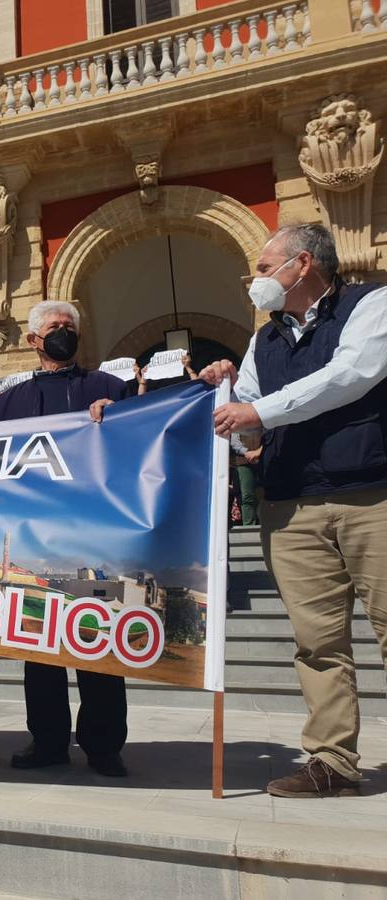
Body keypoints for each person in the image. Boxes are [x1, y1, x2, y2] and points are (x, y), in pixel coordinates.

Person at [199, 223, 387, 798]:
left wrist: (258, 414)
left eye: (262, 268)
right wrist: (223, 394)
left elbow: (350, 377)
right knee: (317, 643)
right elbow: (245, 423)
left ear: (301, 264)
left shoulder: (370, 304)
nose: (256, 281)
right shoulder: (265, 339)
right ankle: (332, 760)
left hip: (370, 495)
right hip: (291, 507)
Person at [0, 301, 130, 777]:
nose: (64, 333)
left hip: (95, 538)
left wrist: (123, 415)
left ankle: (104, 746)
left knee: (96, 642)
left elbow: (144, 440)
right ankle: (47, 740)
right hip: (32, 541)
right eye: (54, 328)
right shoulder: (6, 404)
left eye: (70, 327)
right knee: (39, 647)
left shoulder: (110, 389)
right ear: (33, 341)